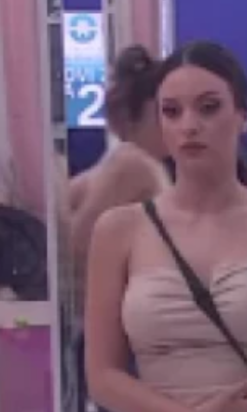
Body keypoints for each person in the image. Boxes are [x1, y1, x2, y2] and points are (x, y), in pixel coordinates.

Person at [84, 41, 247, 412]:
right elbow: (103, 376)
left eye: (208, 108)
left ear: (243, 115)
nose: (189, 125)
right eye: (171, 111)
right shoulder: (121, 230)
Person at [70, 45, 171, 307]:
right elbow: (80, 245)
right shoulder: (133, 164)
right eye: (166, 112)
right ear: (135, 116)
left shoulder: (126, 162)